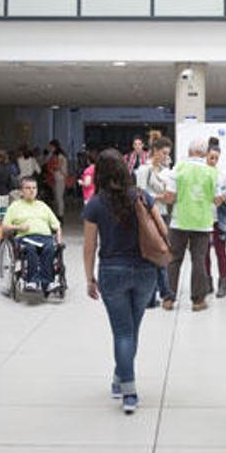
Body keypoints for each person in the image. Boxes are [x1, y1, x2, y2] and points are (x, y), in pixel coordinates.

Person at [83, 149, 163, 415]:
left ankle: (129, 392)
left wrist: (89, 278)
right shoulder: (142, 196)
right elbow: (161, 228)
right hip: (145, 271)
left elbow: (89, 246)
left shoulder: (95, 204)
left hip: (112, 271)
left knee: (123, 332)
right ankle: (120, 380)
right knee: (131, 329)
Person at [164, 139, 222, 312]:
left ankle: (168, 298)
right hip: (202, 223)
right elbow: (217, 199)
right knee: (199, 260)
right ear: (205, 153)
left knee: (174, 259)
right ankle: (198, 301)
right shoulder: (212, 173)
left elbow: (170, 196)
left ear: (189, 151)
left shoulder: (178, 169)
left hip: (179, 221)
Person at [0, 177, 63, 293]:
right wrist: (18, 227)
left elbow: (57, 226)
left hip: (45, 237)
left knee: (49, 248)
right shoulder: (15, 206)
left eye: (34, 188)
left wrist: (58, 242)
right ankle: (32, 281)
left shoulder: (42, 205)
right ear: (22, 191)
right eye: (28, 188)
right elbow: (4, 226)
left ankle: (48, 283)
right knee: (31, 249)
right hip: (26, 238)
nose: (32, 190)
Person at [135, 137, 174, 306]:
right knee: (157, 254)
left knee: (158, 254)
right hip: (149, 217)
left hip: (162, 213)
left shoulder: (163, 169)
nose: (166, 156)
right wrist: (160, 196)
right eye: (164, 153)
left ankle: (157, 294)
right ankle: (164, 293)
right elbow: (141, 194)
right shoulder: (144, 170)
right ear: (155, 151)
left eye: (168, 154)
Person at [204, 144, 226, 298]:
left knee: (221, 251)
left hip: (219, 217)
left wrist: (224, 197)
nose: (213, 160)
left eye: (216, 158)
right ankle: (208, 282)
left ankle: (223, 282)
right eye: (211, 157)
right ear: (205, 156)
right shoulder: (200, 173)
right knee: (204, 252)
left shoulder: (222, 174)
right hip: (203, 217)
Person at [45, 140, 69, 221]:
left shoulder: (60, 156)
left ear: (54, 147)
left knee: (59, 198)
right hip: (57, 178)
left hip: (60, 178)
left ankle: (60, 215)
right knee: (57, 197)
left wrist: (52, 168)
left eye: (50, 147)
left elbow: (59, 166)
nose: (49, 148)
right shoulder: (56, 155)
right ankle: (59, 214)